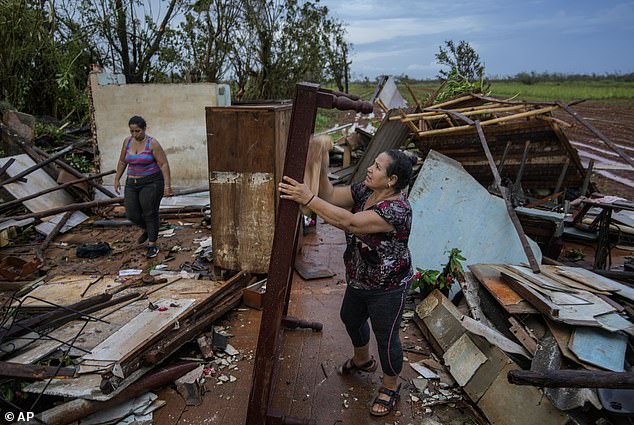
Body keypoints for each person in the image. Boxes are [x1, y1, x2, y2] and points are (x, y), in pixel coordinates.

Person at [278, 147, 415, 417]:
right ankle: (363, 361)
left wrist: (308, 197)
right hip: (360, 277)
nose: (369, 169)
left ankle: (390, 386)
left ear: (392, 181)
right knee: (350, 317)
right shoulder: (365, 191)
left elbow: (351, 223)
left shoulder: (397, 210)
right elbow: (329, 195)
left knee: (386, 337)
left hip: (388, 286)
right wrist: (321, 158)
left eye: (377, 167)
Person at [114, 116, 173, 258]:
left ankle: (152, 244)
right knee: (132, 213)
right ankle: (148, 229)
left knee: (150, 212)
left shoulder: (153, 144)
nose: (135, 134)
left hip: (151, 182)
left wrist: (167, 186)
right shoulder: (127, 142)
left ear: (144, 129)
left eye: (138, 131)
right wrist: (117, 178)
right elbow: (122, 161)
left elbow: (164, 164)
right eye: (132, 131)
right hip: (132, 183)